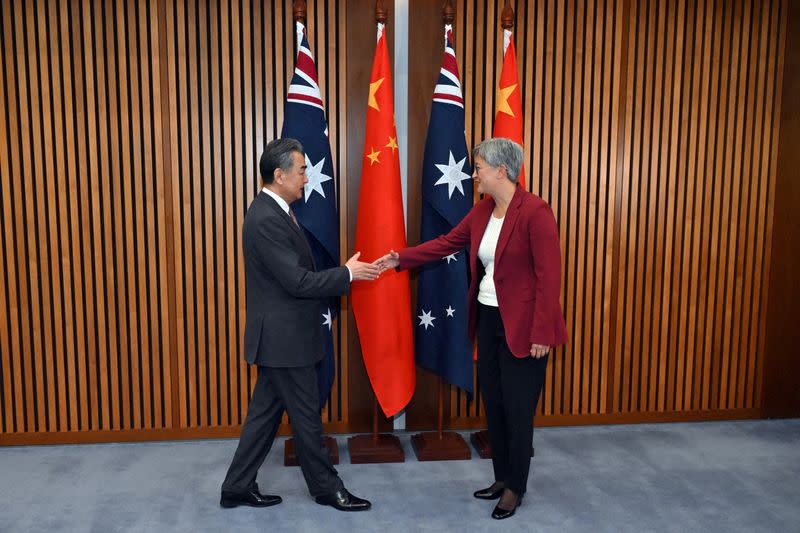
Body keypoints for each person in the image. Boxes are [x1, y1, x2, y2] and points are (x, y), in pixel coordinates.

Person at [376, 138, 567, 520]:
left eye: (479, 167)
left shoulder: (535, 212)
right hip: (489, 319)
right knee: (494, 404)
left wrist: (542, 333)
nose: (474, 173)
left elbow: (550, 277)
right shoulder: (482, 212)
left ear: (501, 171)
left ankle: (516, 487)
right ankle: (501, 477)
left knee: (517, 408)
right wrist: (401, 258)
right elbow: (446, 243)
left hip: (526, 327)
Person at [220, 138, 378, 512]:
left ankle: (237, 486)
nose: (307, 177)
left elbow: (293, 278)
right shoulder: (264, 218)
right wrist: (346, 274)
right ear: (279, 175)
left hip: (282, 338)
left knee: (264, 417)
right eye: (302, 169)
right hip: (284, 340)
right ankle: (326, 488)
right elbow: (298, 282)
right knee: (307, 418)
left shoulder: (275, 212)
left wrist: (344, 273)